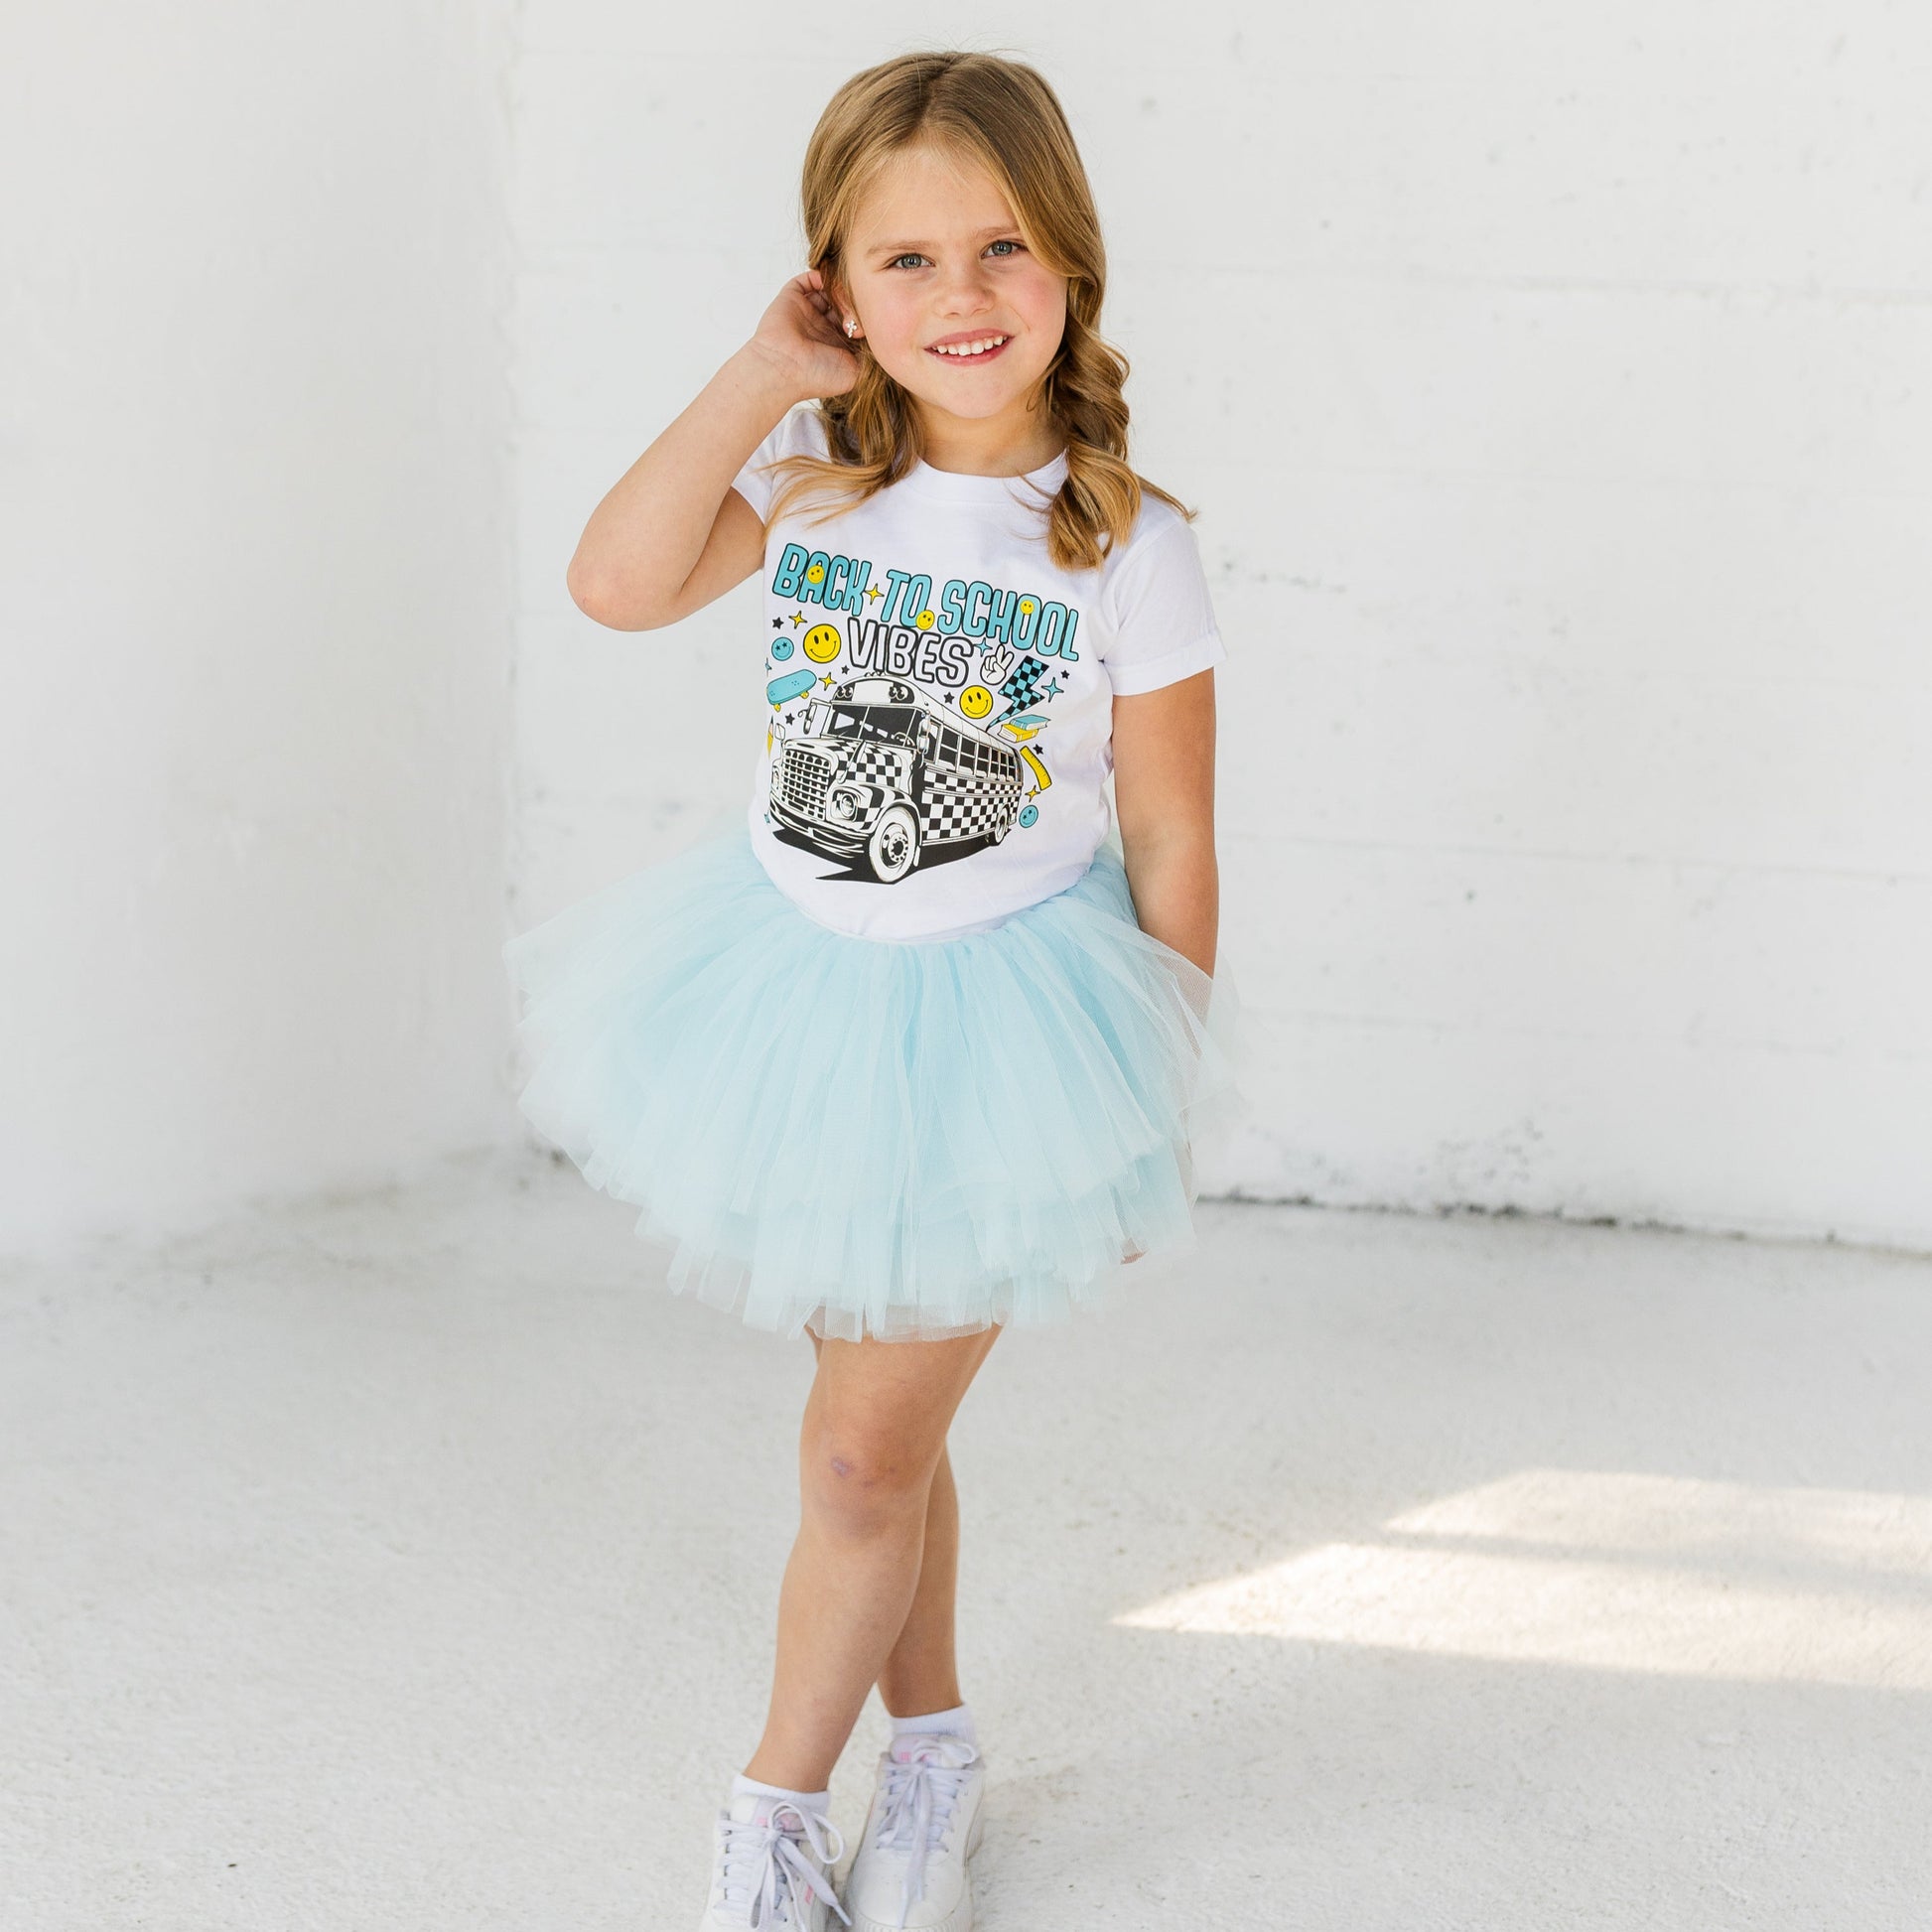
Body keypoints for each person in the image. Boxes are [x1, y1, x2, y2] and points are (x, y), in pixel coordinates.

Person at [503, 48, 1244, 1932]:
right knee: (882, 1434)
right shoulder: (819, 490)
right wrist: (765, 372)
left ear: (1069, 258)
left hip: (1006, 1035)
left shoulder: (1122, 545)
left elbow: (1169, 842)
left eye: (1001, 247)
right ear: (835, 282)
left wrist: (1149, 1103)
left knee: (851, 1449)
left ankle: (771, 1804)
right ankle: (931, 1749)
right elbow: (612, 582)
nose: (962, 298)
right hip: (789, 1012)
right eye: (901, 261)